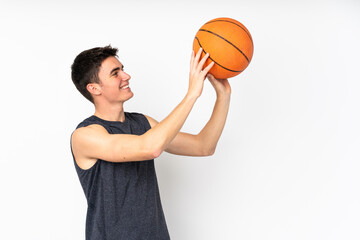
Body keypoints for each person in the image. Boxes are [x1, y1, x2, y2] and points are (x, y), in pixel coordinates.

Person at [70, 45, 231, 239]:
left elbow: (204, 146)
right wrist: (192, 94)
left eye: (122, 68)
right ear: (94, 88)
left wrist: (223, 96)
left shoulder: (143, 123)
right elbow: (150, 148)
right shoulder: (85, 135)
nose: (126, 76)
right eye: (115, 73)